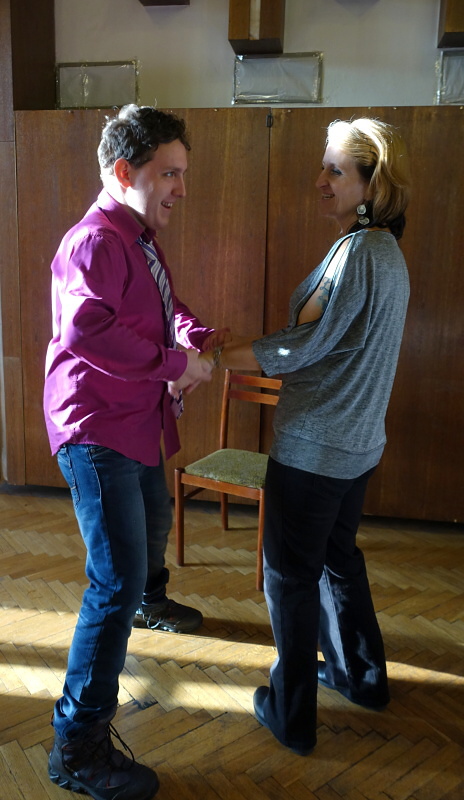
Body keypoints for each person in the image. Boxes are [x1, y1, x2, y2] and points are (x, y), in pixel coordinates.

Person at [197, 117, 411, 756]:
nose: (320, 180)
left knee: (289, 576)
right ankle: (361, 677)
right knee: (339, 559)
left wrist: (217, 358)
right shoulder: (385, 251)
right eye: (324, 167)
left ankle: (290, 716)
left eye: (335, 171)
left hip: (316, 450)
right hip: (357, 446)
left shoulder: (359, 251)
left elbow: (302, 346)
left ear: (372, 185)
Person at [43, 104, 229, 800]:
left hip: (134, 419)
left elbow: (163, 306)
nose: (181, 188)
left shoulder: (139, 238)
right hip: (97, 428)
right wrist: (174, 364)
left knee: (151, 527)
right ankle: (77, 746)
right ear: (125, 172)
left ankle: (151, 600)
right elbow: (88, 331)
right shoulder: (95, 240)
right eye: (169, 174)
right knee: (112, 581)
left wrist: (192, 333)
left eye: (182, 173)